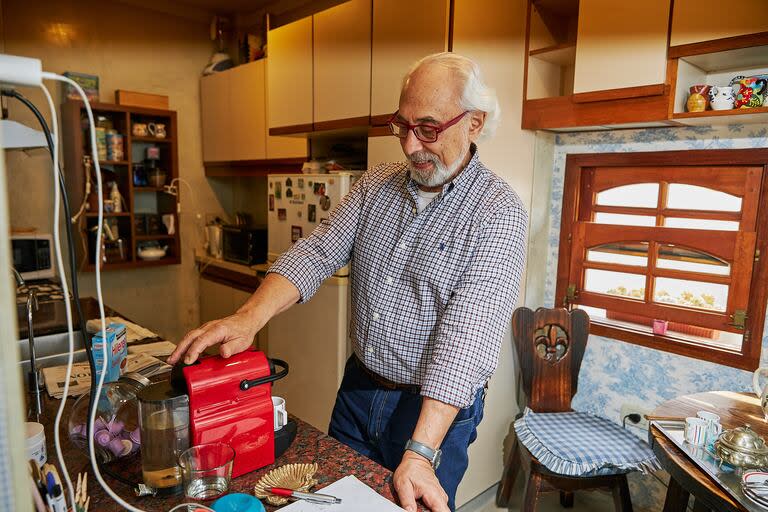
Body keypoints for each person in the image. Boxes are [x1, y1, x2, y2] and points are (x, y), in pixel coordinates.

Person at [169, 52, 527, 512]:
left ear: (474, 123)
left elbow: (467, 340)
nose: (411, 146)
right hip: (359, 387)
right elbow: (317, 251)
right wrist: (247, 318)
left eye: (430, 129)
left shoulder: (498, 212)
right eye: (403, 125)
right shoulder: (376, 183)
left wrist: (419, 453)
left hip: (432, 410)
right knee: (335, 503)